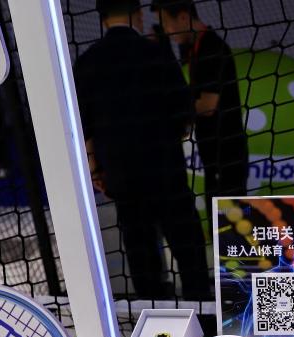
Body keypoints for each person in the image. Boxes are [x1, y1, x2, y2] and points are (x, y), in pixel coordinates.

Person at [75, 0, 211, 299]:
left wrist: (95, 168)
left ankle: (154, 310)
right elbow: (183, 112)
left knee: (140, 246)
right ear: (137, 15)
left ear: (103, 19)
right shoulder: (156, 53)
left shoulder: (87, 61)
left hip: (120, 172)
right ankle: (201, 309)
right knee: (186, 242)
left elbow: (84, 126)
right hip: (164, 167)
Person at [152, 0, 249, 216]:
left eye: (166, 23)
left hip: (227, 152)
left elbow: (207, 105)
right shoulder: (193, 48)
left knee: (232, 221)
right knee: (220, 218)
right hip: (214, 153)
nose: (166, 30)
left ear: (183, 17)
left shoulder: (211, 47)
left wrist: (172, 112)